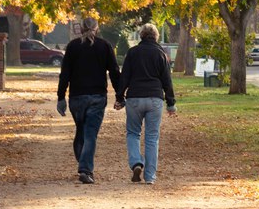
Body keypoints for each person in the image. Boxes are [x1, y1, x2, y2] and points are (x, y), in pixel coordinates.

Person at [57, 18, 121, 184]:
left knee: (81, 130)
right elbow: (114, 71)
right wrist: (120, 95)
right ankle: (85, 168)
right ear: (97, 28)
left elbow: (65, 74)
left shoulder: (73, 47)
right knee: (90, 133)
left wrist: (61, 97)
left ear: (81, 28)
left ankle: (83, 162)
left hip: (77, 98)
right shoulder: (105, 46)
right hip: (97, 97)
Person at [115, 23, 176, 185]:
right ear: (155, 36)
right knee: (152, 137)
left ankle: (136, 163)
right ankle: (150, 176)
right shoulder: (161, 54)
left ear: (141, 36)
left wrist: (120, 98)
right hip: (155, 98)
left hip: (135, 98)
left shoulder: (133, 53)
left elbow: (125, 77)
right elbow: (167, 81)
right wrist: (171, 103)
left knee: (133, 133)